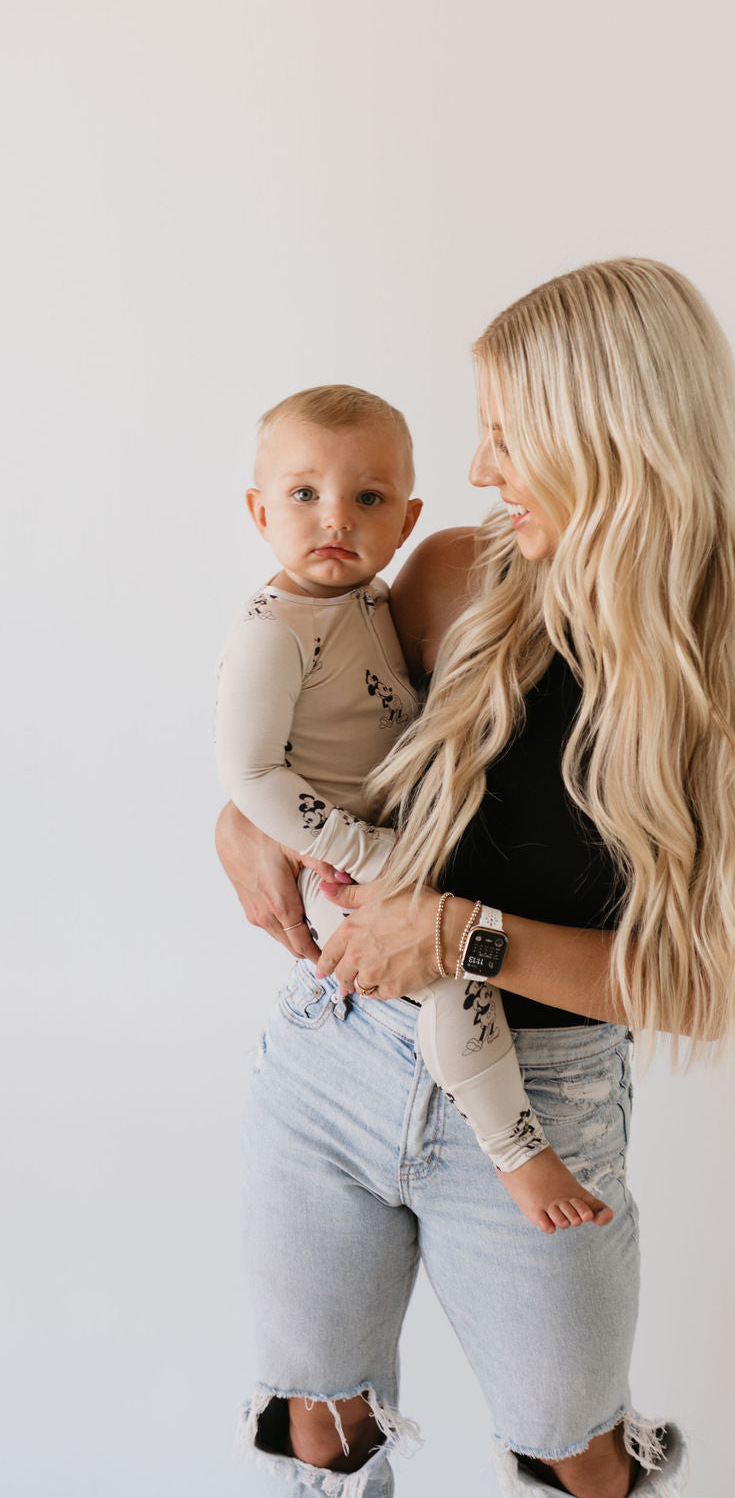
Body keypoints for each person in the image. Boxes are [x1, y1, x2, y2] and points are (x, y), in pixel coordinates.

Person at [217, 258, 735, 1498]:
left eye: (508, 433)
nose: (476, 469)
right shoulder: (453, 573)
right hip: (335, 1048)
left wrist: (462, 931)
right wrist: (234, 823)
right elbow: (318, 736)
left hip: (544, 1107)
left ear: (612, 435)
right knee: (315, 1418)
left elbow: (707, 986)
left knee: (575, 1448)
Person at [216, 384, 610, 1232]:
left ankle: (515, 1146)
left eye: (369, 499)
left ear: (404, 518)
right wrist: (356, 848)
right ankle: (519, 1151)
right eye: (303, 494)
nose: (337, 521)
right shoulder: (273, 627)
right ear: (258, 511)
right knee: (458, 994)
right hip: (359, 870)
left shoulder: (371, 604)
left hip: (404, 862)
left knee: (458, 977)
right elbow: (249, 771)